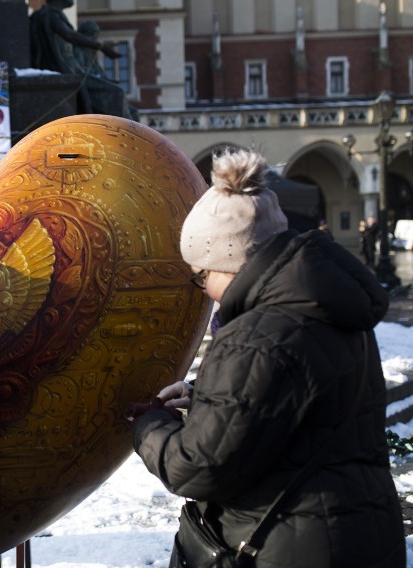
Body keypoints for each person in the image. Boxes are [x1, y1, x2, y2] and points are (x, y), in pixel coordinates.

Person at [129, 149, 405, 567]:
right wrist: (204, 393)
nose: (202, 289)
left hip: (292, 546)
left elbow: (198, 467)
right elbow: (299, 396)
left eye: (201, 275)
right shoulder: (323, 302)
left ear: (229, 262)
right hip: (357, 529)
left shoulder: (255, 336)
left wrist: (151, 424)